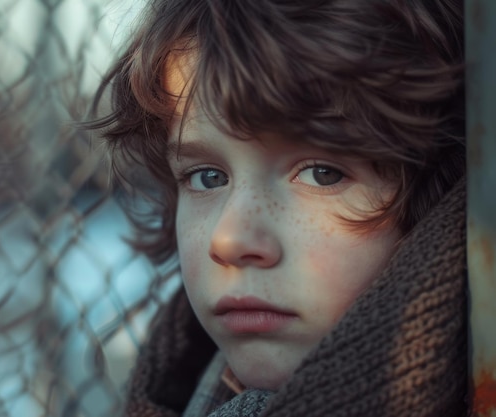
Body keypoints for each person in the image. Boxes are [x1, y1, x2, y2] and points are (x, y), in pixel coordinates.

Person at [86, 0, 468, 415]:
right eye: (207, 177)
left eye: (322, 173)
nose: (229, 238)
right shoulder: (176, 393)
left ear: (443, 197)